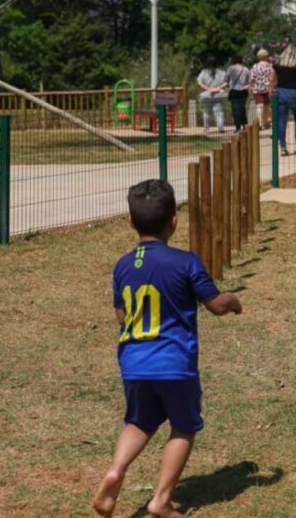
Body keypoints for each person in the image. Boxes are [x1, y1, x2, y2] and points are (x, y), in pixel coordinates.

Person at [92, 179, 242, 518]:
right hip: (175, 364)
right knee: (184, 426)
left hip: (133, 363)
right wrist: (233, 301)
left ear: (130, 221)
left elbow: (121, 314)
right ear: (174, 221)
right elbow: (216, 305)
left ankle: (116, 470)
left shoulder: (123, 265)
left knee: (139, 421)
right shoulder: (186, 262)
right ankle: (160, 500)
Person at [272, 42, 296, 155]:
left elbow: (272, 80)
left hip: (281, 93)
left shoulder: (277, 64)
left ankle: (283, 148)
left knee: (281, 121)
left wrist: (272, 90)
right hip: (294, 94)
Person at [197, 59, 228, 133]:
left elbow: (199, 82)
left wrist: (208, 88)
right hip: (218, 94)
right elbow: (226, 82)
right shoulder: (221, 72)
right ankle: (220, 127)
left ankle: (206, 128)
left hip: (207, 94)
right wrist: (219, 87)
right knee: (219, 111)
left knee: (206, 111)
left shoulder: (204, 72)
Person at [248, 49, 275, 130]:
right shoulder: (270, 66)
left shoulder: (255, 66)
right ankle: (266, 122)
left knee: (259, 105)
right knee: (267, 105)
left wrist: (250, 86)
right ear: (267, 56)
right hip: (268, 88)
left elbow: (252, 78)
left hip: (257, 88)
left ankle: (260, 123)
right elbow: (272, 78)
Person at [226, 55, 250, 133]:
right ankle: (244, 125)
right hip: (244, 91)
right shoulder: (246, 69)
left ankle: (238, 127)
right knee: (242, 108)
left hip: (234, 91)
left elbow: (226, 79)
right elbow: (249, 80)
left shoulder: (230, 69)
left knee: (235, 109)